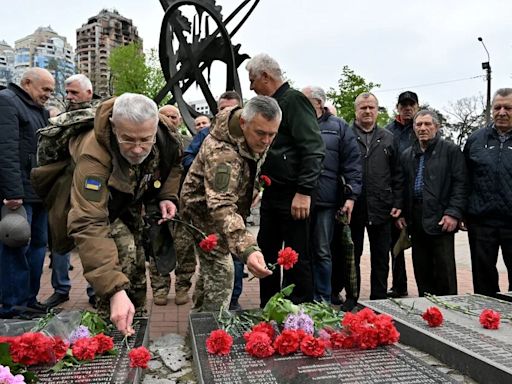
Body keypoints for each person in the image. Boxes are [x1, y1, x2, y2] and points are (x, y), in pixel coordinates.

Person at [67, 93, 183, 335]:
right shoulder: (93, 157)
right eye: (128, 139)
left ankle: (136, 323)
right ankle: (108, 329)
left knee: (137, 265)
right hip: (104, 210)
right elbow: (88, 222)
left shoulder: (166, 136)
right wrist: (113, 290)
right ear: (113, 126)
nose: (138, 148)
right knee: (122, 262)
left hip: (132, 206)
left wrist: (166, 197)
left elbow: (173, 165)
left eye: (145, 139)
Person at [179, 95, 279, 312]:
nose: (266, 141)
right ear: (243, 122)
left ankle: (198, 322)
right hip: (201, 215)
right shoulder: (222, 153)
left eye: (272, 134)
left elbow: (252, 166)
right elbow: (220, 204)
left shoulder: (254, 134)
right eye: (261, 133)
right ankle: (212, 333)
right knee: (222, 272)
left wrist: (252, 188)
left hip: (223, 211)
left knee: (211, 275)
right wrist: (248, 248)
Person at [246, 54, 325, 306]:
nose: (250, 87)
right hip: (273, 194)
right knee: (267, 252)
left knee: (295, 257)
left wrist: (304, 192)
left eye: (252, 80)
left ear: (266, 77)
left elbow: (313, 148)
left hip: (293, 195)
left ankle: (298, 310)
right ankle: (269, 307)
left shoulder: (293, 101)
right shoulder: (272, 106)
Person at [174, 91, 244, 309]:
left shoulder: (247, 136)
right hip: (207, 211)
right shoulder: (208, 137)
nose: (227, 113)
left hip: (232, 210)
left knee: (230, 262)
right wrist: (205, 166)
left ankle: (231, 301)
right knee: (219, 265)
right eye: (223, 109)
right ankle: (208, 317)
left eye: (232, 109)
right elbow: (187, 159)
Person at [0, 68, 55, 319]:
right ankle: (13, 304)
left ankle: (29, 299)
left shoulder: (38, 111)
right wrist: (12, 192)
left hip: (38, 192)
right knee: (15, 246)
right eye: (45, 89)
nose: (48, 95)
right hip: (19, 194)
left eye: (51, 90)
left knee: (38, 247)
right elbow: (6, 149)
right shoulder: (7, 101)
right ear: (27, 83)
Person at [301, 85, 362, 303]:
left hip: (326, 201)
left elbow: (353, 164)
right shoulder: (297, 124)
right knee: (300, 252)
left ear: (317, 102)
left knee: (322, 251)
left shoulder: (339, 127)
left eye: (304, 98)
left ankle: (322, 299)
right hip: (300, 199)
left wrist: (351, 196)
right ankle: (303, 297)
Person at [397, 110, 467, 296]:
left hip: (441, 217)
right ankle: (427, 310)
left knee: (444, 271)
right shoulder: (407, 154)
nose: (423, 128)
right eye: (419, 125)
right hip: (416, 218)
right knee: (421, 269)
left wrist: (453, 212)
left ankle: (449, 312)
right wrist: (402, 213)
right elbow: (402, 186)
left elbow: (460, 183)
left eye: (428, 124)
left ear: (437, 127)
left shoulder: (450, 150)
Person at [43, 74, 97, 309]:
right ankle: (61, 289)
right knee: (58, 236)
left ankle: (95, 289)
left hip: (91, 184)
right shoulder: (62, 119)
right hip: (64, 184)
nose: (69, 97)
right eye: (67, 92)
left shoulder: (99, 116)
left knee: (92, 237)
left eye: (74, 92)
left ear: (89, 93)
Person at [349, 92, 403, 304]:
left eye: (372, 107)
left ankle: (379, 298)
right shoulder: (346, 134)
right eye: (363, 108)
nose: (368, 111)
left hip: (382, 206)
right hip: (354, 206)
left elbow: (398, 173)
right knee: (352, 257)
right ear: (356, 111)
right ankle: (352, 297)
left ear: (377, 110)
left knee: (381, 257)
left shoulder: (389, 137)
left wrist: (398, 201)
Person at [464, 88, 512, 297]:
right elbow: (464, 178)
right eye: (497, 107)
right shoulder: (475, 139)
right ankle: (487, 318)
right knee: (483, 280)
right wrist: (463, 211)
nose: (502, 112)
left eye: (508, 107)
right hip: (481, 220)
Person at [146, 104, 184, 306]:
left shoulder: (182, 142)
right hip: (153, 204)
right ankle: (160, 289)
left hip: (180, 205)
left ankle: (182, 288)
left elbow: (178, 169)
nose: (170, 120)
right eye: (166, 116)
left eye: (174, 116)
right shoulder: (148, 138)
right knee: (157, 247)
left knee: (183, 249)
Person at [385, 91, 419, 298]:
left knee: (422, 247)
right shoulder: (389, 132)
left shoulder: (424, 127)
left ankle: (428, 287)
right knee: (396, 247)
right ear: (397, 107)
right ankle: (399, 285)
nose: (407, 108)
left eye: (411, 104)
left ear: (417, 106)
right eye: (403, 105)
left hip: (419, 197)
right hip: (397, 197)